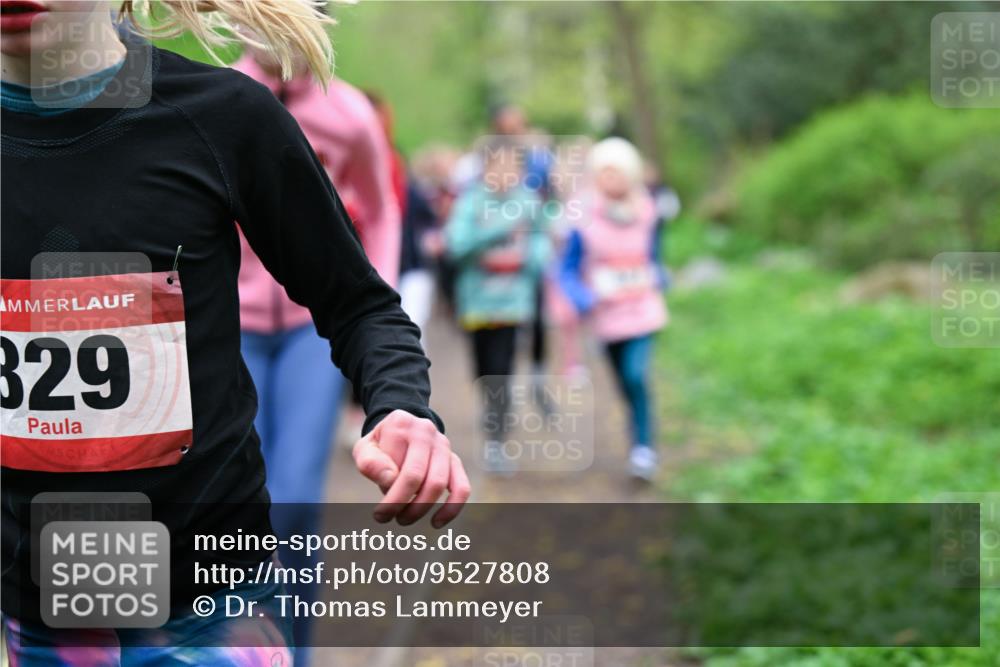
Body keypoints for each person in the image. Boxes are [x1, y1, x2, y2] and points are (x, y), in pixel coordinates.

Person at [0, 2, 470, 665]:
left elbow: (360, 302)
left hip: (210, 612)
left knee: (298, 497)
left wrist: (401, 405)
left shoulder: (222, 117)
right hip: (46, 612)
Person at [559, 138, 668, 481]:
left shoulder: (647, 211)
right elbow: (566, 268)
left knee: (637, 375)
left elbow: (654, 256)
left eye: (617, 173)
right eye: (604, 173)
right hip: (606, 317)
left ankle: (644, 448)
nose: (612, 180)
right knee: (623, 382)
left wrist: (659, 276)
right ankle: (638, 435)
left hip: (643, 309)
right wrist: (583, 297)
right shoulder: (582, 216)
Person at [444, 137, 551, 472]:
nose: (505, 173)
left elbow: (540, 245)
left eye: (512, 166)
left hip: (512, 305)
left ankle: (496, 441)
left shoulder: (529, 202)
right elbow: (456, 246)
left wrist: (531, 258)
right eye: (498, 166)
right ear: (485, 169)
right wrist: (499, 229)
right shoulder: (470, 202)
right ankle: (493, 413)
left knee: (501, 370)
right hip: (477, 304)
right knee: (483, 368)